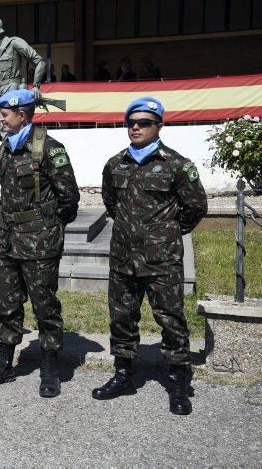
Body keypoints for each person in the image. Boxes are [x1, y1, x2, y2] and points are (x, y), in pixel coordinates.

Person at [95, 97, 207, 416]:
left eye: (144, 122)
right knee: (122, 318)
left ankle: (178, 381)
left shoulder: (177, 164)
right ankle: (123, 373)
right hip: (123, 258)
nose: (135, 127)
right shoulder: (115, 164)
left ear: (159, 126)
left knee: (170, 320)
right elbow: (111, 203)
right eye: (131, 122)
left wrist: (166, 233)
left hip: (162, 260)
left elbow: (196, 207)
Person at [0, 89, 80, 397]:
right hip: (8, 242)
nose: (1, 120)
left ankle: (49, 367)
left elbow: (69, 199)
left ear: (22, 115)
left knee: (45, 306)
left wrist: (46, 229)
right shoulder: (6, 149)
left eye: (5, 114)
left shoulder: (49, 148)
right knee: (6, 305)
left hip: (39, 245)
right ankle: (5, 363)